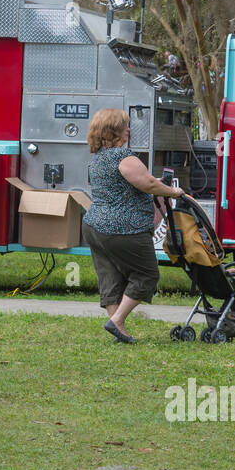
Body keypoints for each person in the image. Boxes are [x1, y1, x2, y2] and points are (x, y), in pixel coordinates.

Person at [81, 108, 184, 343]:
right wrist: (173, 191)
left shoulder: (98, 157)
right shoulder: (123, 157)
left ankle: (119, 329)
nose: (129, 129)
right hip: (123, 228)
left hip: (94, 226)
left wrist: (154, 183)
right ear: (113, 130)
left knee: (110, 277)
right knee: (147, 274)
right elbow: (147, 184)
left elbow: (131, 183)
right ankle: (117, 321)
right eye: (125, 126)